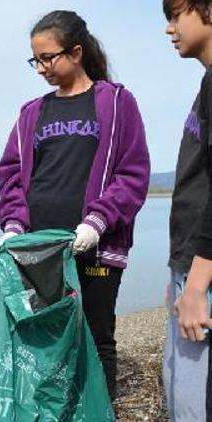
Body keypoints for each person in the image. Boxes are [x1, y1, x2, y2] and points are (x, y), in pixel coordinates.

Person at [0, 10, 150, 400]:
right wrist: (14, 226)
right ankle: (57, 408)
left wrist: (97, 222)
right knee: (47, 334)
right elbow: (11, 173)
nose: (41, 68)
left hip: (94, 246)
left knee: (98, 336)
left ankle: (99, 408)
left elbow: (132, 175)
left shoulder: (116, 103)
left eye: (48, 57)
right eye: (36, 60)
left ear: (76, 52)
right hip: (40, 249)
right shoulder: (33, 112)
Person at [165, 1, 212, 420]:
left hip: (204, 273)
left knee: (193, 405)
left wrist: (196, 285)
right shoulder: (207, 85)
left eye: (176, 15)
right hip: (192, 266)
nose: (169, 29)